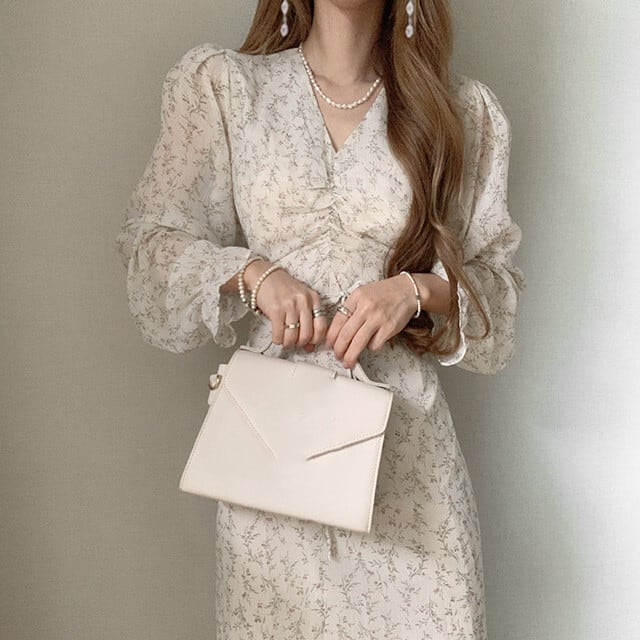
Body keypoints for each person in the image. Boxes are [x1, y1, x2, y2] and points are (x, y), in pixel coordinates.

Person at [115, 0, 526, 637]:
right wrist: (254, 274)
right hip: (271, 462)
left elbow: (497, 293)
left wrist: (416, 290)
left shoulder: (458, 111)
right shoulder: (227, 87)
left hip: (409, 468)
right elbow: (152, 246)